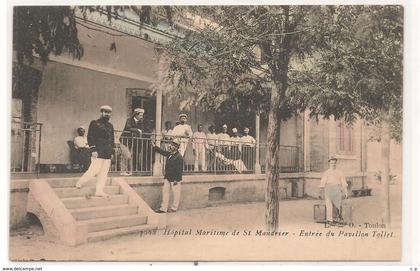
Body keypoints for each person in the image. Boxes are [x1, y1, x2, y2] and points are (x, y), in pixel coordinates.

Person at [75, 105, 115, 197]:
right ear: (101, 112)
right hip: (98, 152)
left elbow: (112, 140)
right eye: (105, 112)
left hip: (107, 153)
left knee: (104, 174)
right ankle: (80, 182)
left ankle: (99, 191)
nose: (107, 114)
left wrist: (112, 152)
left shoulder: (110, 126)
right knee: (93, 170)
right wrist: (93, 149)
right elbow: (90, 137)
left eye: (109, 113)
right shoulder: (94, 123)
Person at [151, 138, 184, 213]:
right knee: (165, 192)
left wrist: (176, 180)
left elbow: (179, 170)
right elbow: (163, 152)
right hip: (168, 177)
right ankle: (163, 208)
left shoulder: (179, 157)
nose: (171, 146)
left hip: (175, 179)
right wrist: (155, 147)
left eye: (173, 145)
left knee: (176, 193)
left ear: (176, 147)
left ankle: (174, 208)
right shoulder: (170, 153)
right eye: (171, 144)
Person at [319, 156, 349, 226]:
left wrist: (346, 192)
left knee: (337, 204)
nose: (333, 165)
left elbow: (343, 183)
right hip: (328, 189)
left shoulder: (340, 172)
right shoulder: (327, 172)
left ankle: (336, 218)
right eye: (332, 163)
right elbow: (323, 182)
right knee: (329, 205)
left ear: (336, 163)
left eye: (334, 163)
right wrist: (320, 192)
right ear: (329, 164)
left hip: (337, 189)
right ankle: (329, 220)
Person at [119, 108, 150, 174]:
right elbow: (128, 127)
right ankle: (123, 171)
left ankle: (129, 171)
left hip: (131, 141)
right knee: (126, 156)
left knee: (130, 156)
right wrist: (137, 130)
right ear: (136, 115)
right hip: (124, 140)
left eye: (142, 115)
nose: (141, 117)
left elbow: (143, 130)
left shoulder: (140, 122)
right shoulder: (129, 120)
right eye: (140, 115)